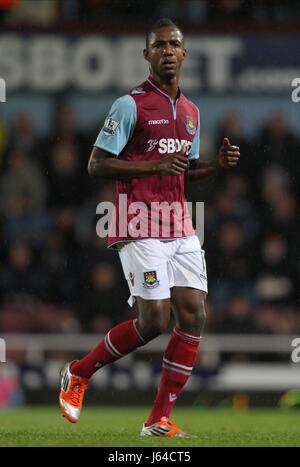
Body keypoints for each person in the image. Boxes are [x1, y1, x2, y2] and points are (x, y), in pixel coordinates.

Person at [59, 18, 240, 438]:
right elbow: (96, 164)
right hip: (137, 220)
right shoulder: (131, 105)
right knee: (155, 320)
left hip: (180, 222)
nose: (167, 51)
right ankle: (79, 372)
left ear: (184, 53)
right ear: (147, 55)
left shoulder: (192, 112)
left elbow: (183, 172)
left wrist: (216, 166)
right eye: (159, 45)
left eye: (174, 44)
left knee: (193, 315)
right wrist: (152, 164)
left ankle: (157, 420)